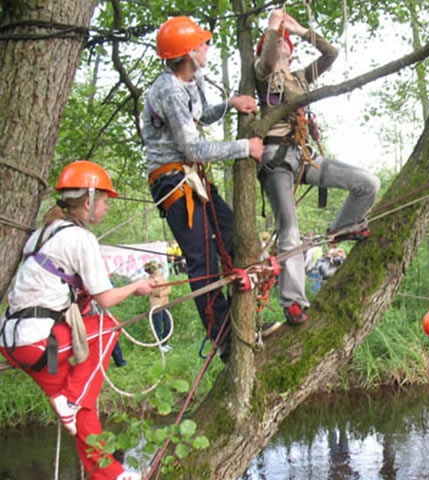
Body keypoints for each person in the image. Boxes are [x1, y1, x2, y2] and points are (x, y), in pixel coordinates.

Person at [0, 160, 153, 480]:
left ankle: (107, 473)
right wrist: (137, 287)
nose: (107, 207)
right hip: (42, 345)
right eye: (105, 201)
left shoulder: (43, 234)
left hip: (17, 343)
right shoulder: (81, 239)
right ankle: (72, 398)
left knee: (80, 410)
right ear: (88, 202)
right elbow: (106, 299)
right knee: (107, 328)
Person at [142, 16, 265, 357]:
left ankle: (248, 318)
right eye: (202, 44)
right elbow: (192, 148)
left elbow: (200, 116)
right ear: (187, 53)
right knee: (204, 261)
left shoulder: (191, 80)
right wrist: (245, 148)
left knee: (234, 235)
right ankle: (225, 338)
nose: (207, 48)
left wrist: (229, 105)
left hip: (192, 177)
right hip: (173, 182)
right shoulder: (167, 89)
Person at [254, 10, 381, 325]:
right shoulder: (263, 73)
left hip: (304, 155)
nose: (283, 44)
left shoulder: (300, 77)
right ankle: (294, 301)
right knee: (290, 233)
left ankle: (344, 226)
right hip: (276, 159)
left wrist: (299, 30)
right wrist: (273, 26)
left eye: (286, 42)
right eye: (278, 41)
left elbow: (331, 54)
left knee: (367, 182)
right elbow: (268, 60)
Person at [144, 260, 173, 352]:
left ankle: (165, 343)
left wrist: (163, 292)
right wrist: (159, 288)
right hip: (156, 305)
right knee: (158, 326)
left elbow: (169, 289)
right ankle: (160, 344)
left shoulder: (162, 278)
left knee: (168, 325)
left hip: (165, 303)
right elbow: (156, 293)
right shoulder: (150, 280)